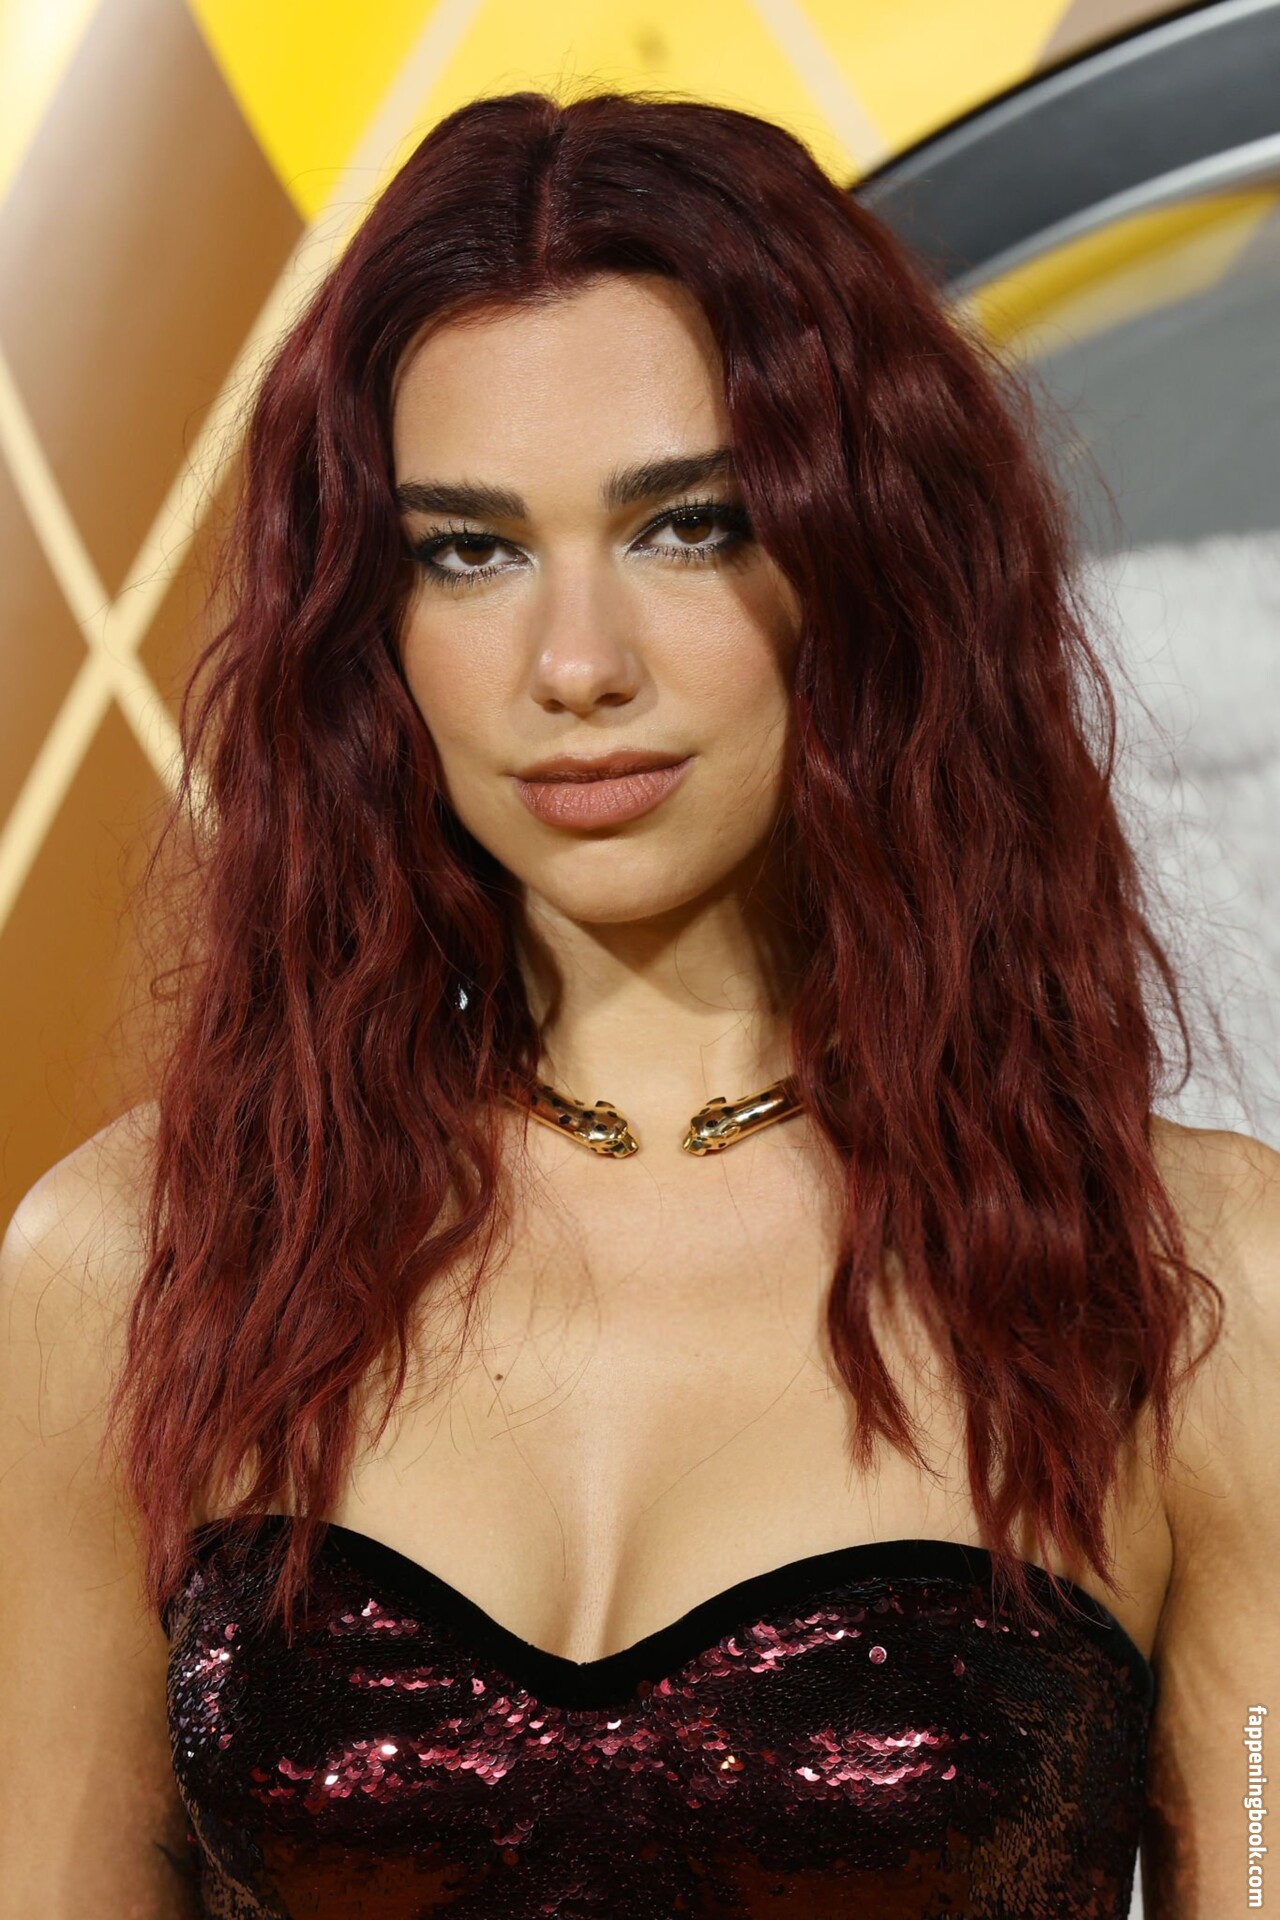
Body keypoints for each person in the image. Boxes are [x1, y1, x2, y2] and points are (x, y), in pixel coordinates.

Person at [1, 88, 1275, 1920]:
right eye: (470, 550)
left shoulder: (1191, 1290)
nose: (576, 665)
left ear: (868, 564)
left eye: (688, 526)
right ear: (369, 626)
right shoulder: (140, 1267)